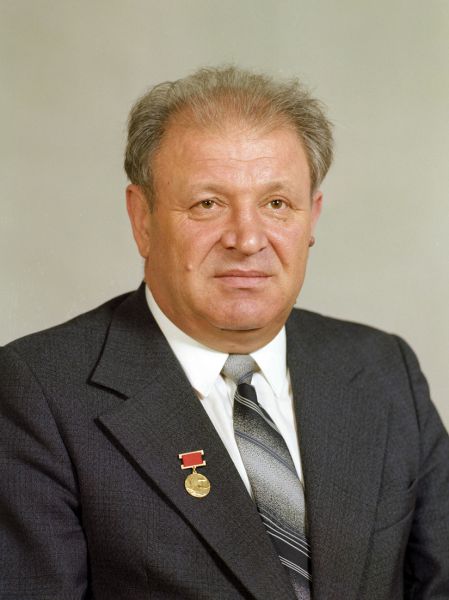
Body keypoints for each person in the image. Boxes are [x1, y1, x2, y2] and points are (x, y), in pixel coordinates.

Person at [1, 66, 448, 600]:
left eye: (276, 204)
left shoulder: (383, 369)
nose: (247, 238)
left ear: (311, 218)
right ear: (142, 219)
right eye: (207, 204)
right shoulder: (39, 394)